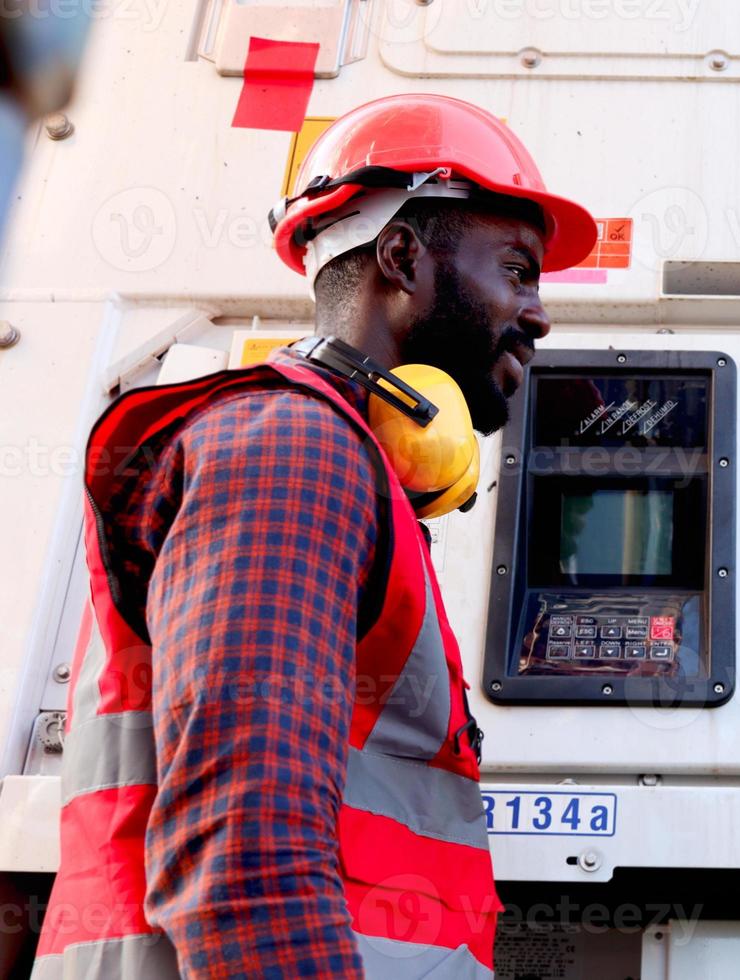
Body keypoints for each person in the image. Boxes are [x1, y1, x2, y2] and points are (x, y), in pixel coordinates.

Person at [33, 94, 597, 979]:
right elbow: (246, 858)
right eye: (518, 270)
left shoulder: (337, 460)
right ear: (402, 257)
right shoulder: (294, 451)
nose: (539, 314)